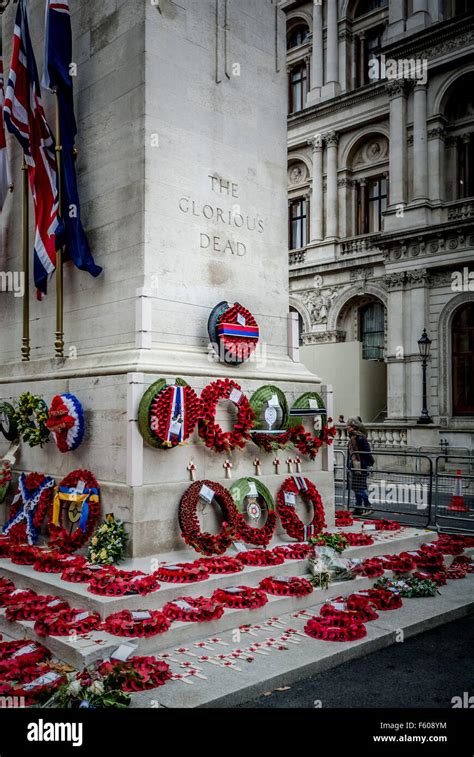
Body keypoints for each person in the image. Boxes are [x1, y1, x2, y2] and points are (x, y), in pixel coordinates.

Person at [346, 418, 374, 516]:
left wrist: (369, 463)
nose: (346, 427)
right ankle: (358, 508)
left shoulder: (360, 438)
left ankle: (368, 506)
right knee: (356, 486)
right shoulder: (353, 437)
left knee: (360, 487)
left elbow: (367, 452)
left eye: (348, 426)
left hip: (360, 465)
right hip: (355, 465)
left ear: (353, 427)